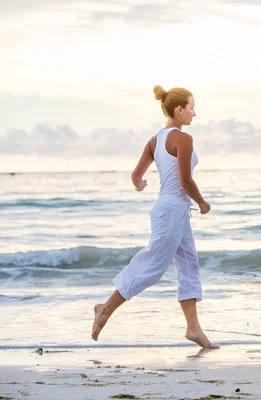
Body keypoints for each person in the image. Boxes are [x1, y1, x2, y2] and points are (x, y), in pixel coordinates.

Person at [91, 85, 218, 349]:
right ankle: (105, 308)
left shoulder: (155, 140)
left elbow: (136, 176)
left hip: (172, 211)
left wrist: (140, 185)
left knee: (188, 265)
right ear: (179, 109)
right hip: (172, 210)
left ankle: (193, 328)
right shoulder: (183, 139)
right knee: (153, 265)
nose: (194, 114)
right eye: (192, 108)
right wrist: (203, 202)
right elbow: (185, 181)